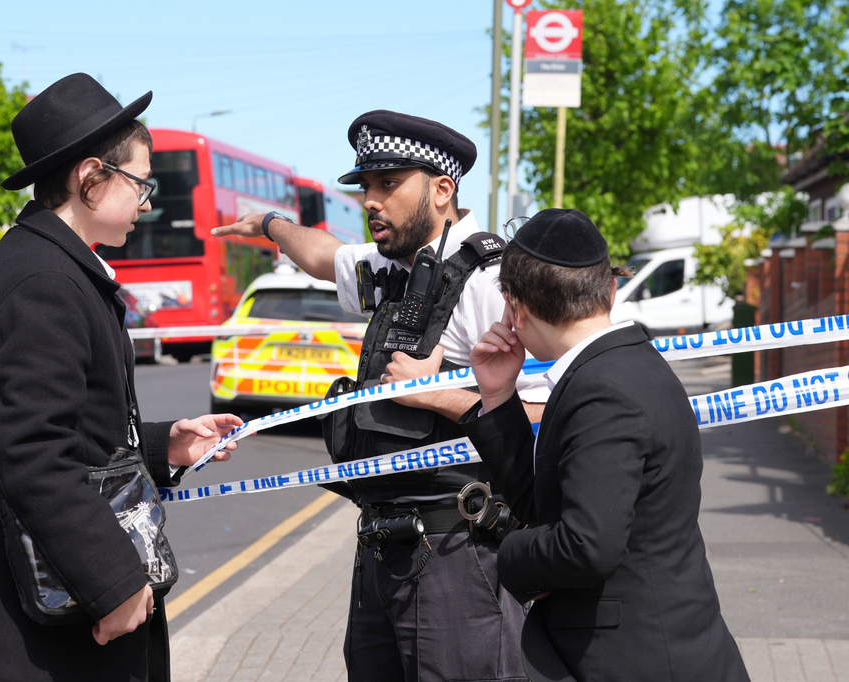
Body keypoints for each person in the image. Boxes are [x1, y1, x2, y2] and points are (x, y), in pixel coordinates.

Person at [0, 73, 243, 682]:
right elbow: (31, 452)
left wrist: (161, 444)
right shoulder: (44, 282)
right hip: (29, 636)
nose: (148, 202)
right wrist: (116, 581)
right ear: (91, 177)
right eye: (140, 182)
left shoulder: (56, 267)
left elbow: (72, 425)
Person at [213, 110, 547, 682]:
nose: (371, 200)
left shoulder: (494, 283)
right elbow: (320, 256)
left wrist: (439, 395)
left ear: (442, 189)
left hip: (458, 551)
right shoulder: (394, 266)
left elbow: (549, 411)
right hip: (381, 548)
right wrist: (270, 224)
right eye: (366, 186)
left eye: (389, 184)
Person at [460, 208, 751, 682]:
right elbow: (549, 508)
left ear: (516, 308)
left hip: (638, 658)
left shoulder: (601, 388)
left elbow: (587, 545)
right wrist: (498, 396)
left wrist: (510, 555)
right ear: (610, 291)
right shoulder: (623, 365)